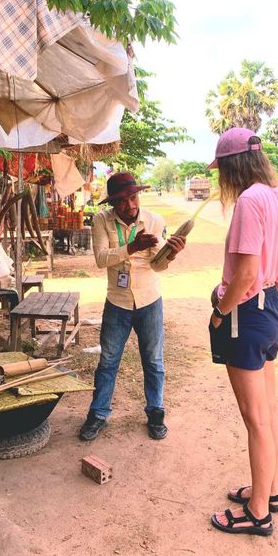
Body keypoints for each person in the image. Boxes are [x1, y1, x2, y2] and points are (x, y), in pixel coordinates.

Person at [207, 128, 278, 537]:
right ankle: (270, 490)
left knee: (255, 419)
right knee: (269, 412)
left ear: (231, 166)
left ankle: (258, 512)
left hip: (246, 311)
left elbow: (244, 274)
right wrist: (266, 300)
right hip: (272, 306)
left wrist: (220, 311)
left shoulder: (249, 201)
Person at [78, 171, 186, 442]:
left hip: (149, 301)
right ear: (112, 203)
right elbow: (102, 259)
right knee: (108, 362)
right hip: (117, 302)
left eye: (134, 198)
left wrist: (170, 253)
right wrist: (132, 246)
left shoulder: (153, 220)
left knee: (154, 362)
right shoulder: (101, 221)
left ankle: (155, 412)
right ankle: (98, 414)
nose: (130, 205)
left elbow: (157, 265)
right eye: (122, 201)